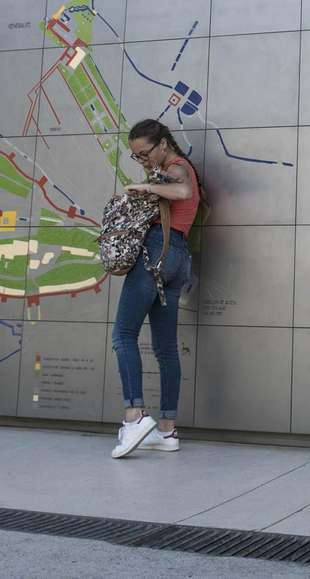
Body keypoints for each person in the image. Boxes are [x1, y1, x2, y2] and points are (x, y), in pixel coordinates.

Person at [111, 119, 199, 458]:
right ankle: (166, 431)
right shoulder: (170, 167)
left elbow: (184, 191)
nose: (142, 160)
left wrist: (144, 188)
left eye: (145, 153)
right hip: (177, 256)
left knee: (122, 334)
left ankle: (134, 418)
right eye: (136, 156)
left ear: (163, 143)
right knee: (165, 349)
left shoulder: (177, 167)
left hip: (156, 252)